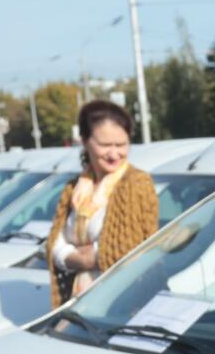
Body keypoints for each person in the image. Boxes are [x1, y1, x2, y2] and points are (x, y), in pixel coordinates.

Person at [47, 98, 157, 307]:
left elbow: (131, 249)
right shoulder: (74, 189)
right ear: (85, 141)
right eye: (105, 145)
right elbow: (54, 244)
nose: (114, 154)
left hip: (125, 304)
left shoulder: (136, 183)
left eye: (121, 145)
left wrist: (87, 253)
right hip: (78, 303)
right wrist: (79, 258)